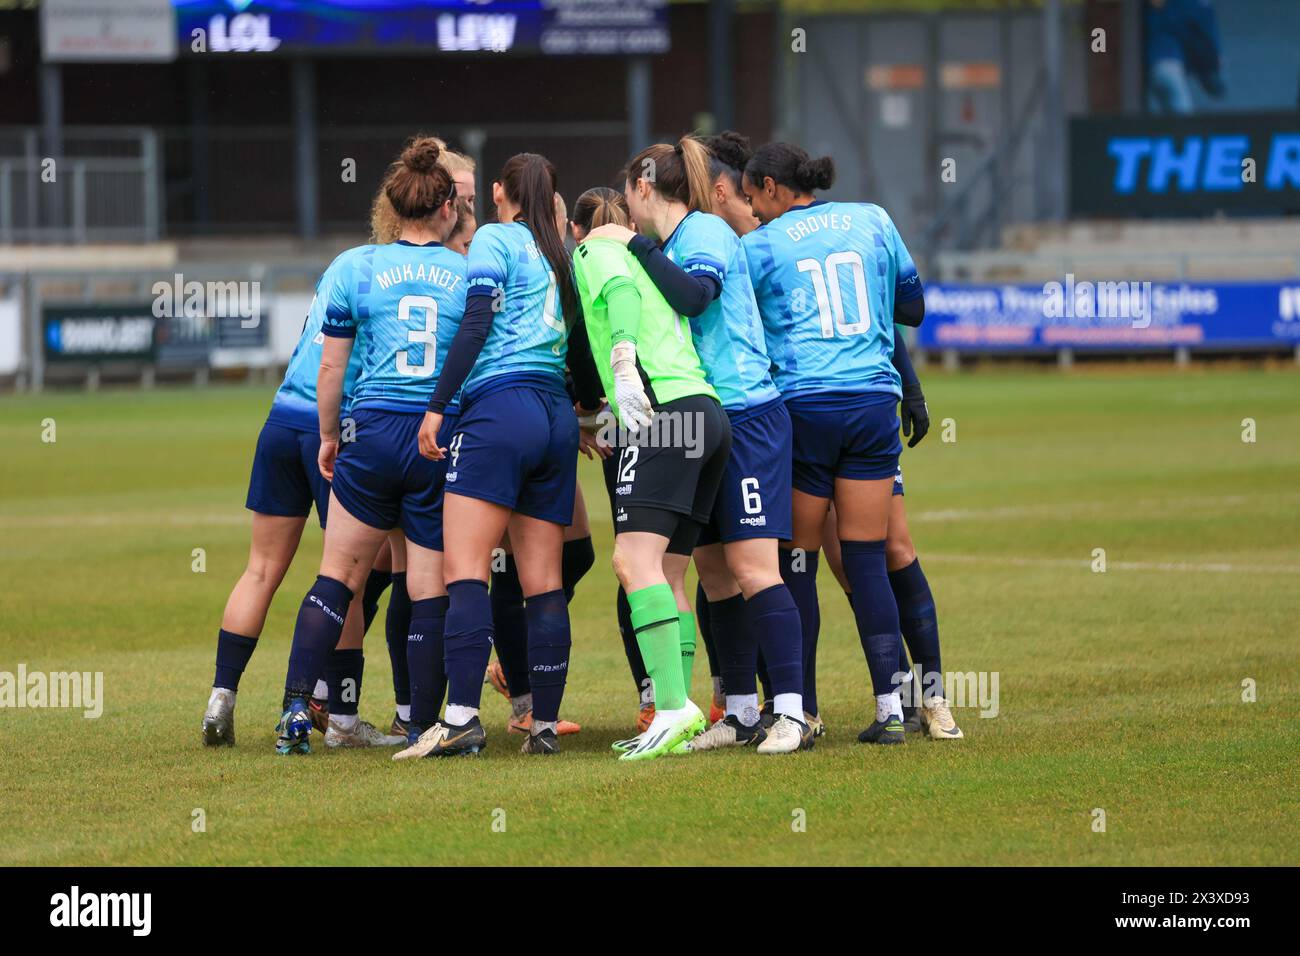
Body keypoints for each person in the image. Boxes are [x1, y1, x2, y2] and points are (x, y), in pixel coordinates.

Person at [587, 136, 810, 754]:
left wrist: (630, 244)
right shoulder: (672, 244)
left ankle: (792, 711)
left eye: (628, 198)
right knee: (712, 572)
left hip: (746, 411)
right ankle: (739, 712)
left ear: (642, 188)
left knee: (753, 567)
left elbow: (695, 297)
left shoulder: (705, 233)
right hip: (700, 421)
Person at [271, 136, 466, 755]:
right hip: (436, 434)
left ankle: (297, 709)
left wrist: (329, 436)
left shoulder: (358, 266)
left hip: (370, 431)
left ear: (392, 203)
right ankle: (426, 724)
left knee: (338, 577)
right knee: (427, 584)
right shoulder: (469, 271)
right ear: (447, 211)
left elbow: (331, 372)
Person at [740, 141, 924, 745]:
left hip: (805, 407)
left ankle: (803, 710)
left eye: (751, 198)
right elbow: (913, 307)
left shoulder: (758, 246)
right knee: (867, 560)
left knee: (797, 562)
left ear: (770, 186)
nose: (751, 210)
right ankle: (892, 710)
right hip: (874, 402)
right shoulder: (871, 218)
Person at [403, 152, 580, 758]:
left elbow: (477, 320)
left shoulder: (496, 239)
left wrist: (436, 406)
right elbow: (579, 342)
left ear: (500, 190)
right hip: (555, 414)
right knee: (544, 582)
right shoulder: (560, 252)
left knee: (467, 570)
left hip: (498, 409)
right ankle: (545, 725)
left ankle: (460, 720)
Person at [570, 185, 732, 760]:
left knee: (630, 561)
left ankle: (670, 707)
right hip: (706, 413)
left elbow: (617, 296)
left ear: (574, 229)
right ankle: (677, 712)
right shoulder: (642, 255)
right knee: (669, 573)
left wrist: (621, 360)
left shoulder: (592, 252)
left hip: (661, 415)